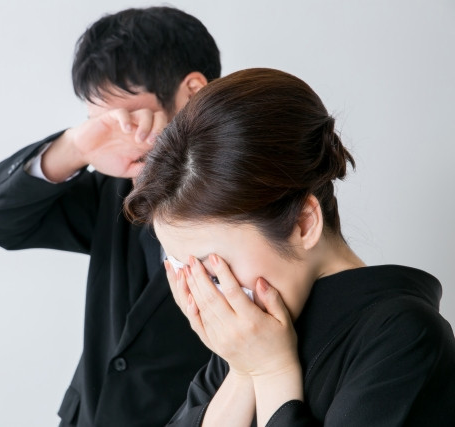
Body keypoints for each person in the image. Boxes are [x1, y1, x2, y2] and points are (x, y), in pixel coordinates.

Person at [124, 68, 455, 426]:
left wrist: (271, 371)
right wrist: (242, 370)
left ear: (303, 224)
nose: (201, 292)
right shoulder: (249, 331)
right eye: (182, 266)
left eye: (213, 267)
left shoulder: (405, 335)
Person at [0, 7, 221, 426]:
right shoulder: (115, 187)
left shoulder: (254, 184)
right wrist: (76, 148)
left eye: (126, 117)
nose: (113, 135)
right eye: (98, 121)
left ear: (192, 90)